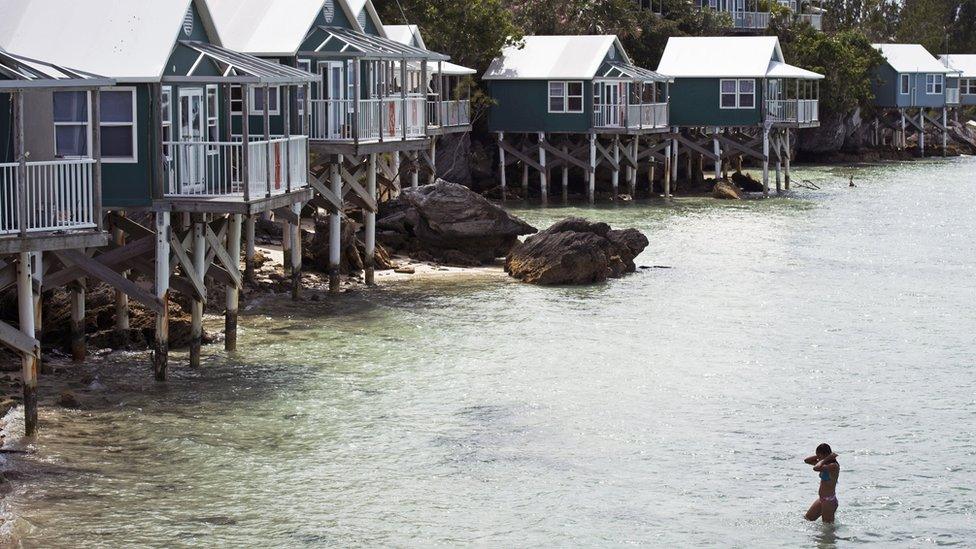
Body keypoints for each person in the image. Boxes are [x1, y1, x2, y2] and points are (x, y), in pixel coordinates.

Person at [804, 443, 839, 523]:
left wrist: (826, 458)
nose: (819, 459)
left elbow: (816, 468)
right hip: (822, 499)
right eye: (818, 456)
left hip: (829, 501)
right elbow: (807, 460)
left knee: (827, 529)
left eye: (819, 456)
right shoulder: (823, 464)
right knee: (807, 519)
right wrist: (821, 457)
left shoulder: (833, 466)